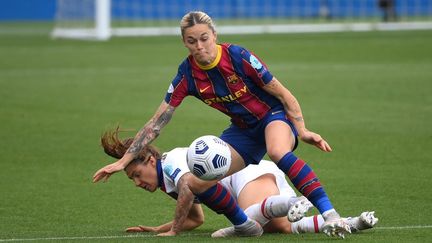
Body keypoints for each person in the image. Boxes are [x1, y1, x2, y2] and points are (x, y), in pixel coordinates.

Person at [93, 10, 350, 238]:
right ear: (185, 43)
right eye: (191, 41)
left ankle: (330, 213)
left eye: (204, 38)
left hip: (273, 116)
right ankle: (244, 225)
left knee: (277, 151)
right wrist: (123, 161)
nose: (199, 46)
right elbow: (157, 122)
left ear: (214, 35)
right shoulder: (187, 75)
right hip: (242, 130)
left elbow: (283, 94)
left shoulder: (238, 56)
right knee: (196, 182)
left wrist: (302, 130)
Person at [101, 129, 378, 237]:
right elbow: (195, 218)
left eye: (135, 174)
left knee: (252, 225)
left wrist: (172, 231)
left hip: (249, 174)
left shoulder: (171, 163)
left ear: (150, 160)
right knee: (282, 227)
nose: (137, 183)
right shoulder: (168, 182)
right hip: (257, 180)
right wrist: (155, 229)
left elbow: (188, 189)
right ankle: (351, 223)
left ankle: (293, 202)